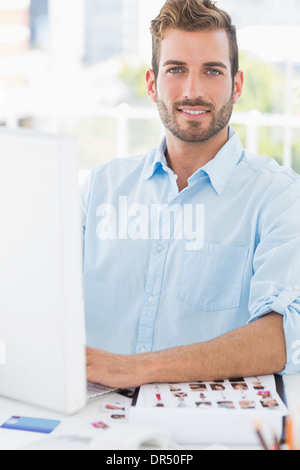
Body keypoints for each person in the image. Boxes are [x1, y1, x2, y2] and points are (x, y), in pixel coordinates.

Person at [83, 0, 300, 389]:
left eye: (212, 71)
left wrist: (132, 369)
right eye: (176, 69)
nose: (193, 90)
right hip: (92, 425)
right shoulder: (100, 188)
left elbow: (282, 338)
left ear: (237, 85)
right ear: (152, 85)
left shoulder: (278, 197)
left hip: (210, 430)